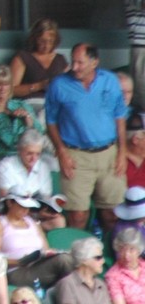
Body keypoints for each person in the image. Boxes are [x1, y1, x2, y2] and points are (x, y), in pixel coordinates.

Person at [47, 43, 128, 232]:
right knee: (77, 215)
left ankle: (112, 258)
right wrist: (61, 151)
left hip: (109, 153)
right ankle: (79, 259)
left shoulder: (110, 81)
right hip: (75, 155)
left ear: (94, 62)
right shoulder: (59, 84)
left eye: (80, 63)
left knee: (112, 213)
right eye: (73, 62)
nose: (74, 67)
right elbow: (51, 122)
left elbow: (120, 116)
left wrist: (122, 151)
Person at [0, 192, 73, 289]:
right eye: (21, 206)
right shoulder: (0, 225)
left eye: (27, 207)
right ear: (10, 203)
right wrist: (19, 261)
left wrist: (48, 254)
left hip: (38, 265)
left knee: (69, 259)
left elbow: (46, 249)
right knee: (63, 261)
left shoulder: (32, 223)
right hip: (17, 270)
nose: (25, 210)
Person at [0, 130, 55, 205]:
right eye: (29, 153)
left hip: (34, 212)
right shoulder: (6, 166)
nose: (33, 159)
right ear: (19, 150)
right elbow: (7, 202)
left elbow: (46, 198)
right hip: (6, 212)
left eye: (38, 154)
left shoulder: (43, 167)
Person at [11, 19, 66, 102]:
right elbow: (11, 90)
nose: (46, 45)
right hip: (32, 103)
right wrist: (39, 86)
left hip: (55, 103)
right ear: (35, 39)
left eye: (50, 41)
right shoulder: (23, 57)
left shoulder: (60, 59)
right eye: (42, 41)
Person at [52, 237, 108, 304]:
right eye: (98, 257)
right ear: (84, 260)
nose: (103, 261)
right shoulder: (67, 284)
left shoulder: (101, 285)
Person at [107, 226, 145, 304]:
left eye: (131, 249)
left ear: (139, 250)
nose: (126, 255)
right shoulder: (113, 275)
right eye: (122, 250)